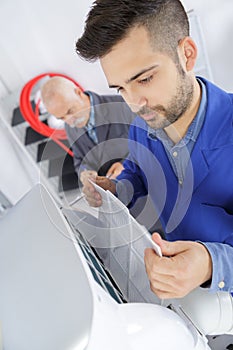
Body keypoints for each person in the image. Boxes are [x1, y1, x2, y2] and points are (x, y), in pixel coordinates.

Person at [75, 0, 233, 305]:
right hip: (173, 288)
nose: (134, 103)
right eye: (121, 88)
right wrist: (116, 189)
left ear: (186, 55)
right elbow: (139, 174)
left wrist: (212, 264)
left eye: (144, 79)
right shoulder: (142, 126)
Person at [41, 76, 136, 184]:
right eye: (61, 118)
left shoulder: (122, 106)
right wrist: (84, 174)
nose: (70, 121)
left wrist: (126, 165)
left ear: (78, 93)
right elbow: (80, 160)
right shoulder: (69, 127)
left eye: (70, 111)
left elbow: (153, 141)